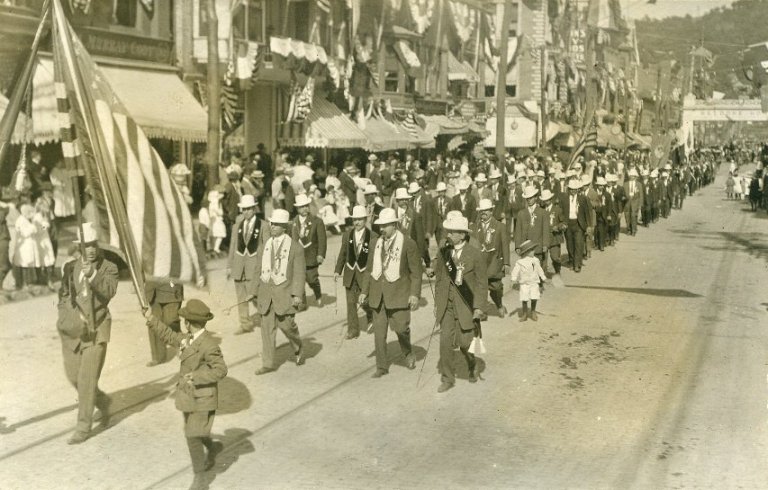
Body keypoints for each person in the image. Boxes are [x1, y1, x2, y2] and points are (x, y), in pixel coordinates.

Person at [144, 299, 227, 490]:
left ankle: (200, 480)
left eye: (184, 320)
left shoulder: (209, 344)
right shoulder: (187, 338)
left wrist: (196, 376)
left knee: (191, 435)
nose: (183, 323)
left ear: (188, 322)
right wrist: (150, 318)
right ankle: (213, 447)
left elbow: (221, 370)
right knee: (195, 431)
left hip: (203, 398)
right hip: (188, 396)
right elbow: (167, 335)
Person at [56, 222, 119, 444]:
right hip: (74, 331)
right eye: (86, 246)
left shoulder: (108, 268)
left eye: (93, 245)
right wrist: (68, 317)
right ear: (79, 247)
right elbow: (63, 296)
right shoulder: (69, 267)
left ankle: (83, 427)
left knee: (86, 379)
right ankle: (102, 402)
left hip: (97, 330)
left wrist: (92, 275)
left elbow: (109, 291)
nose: (90, 250)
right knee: (73, 376)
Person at [429, 213, 487, 393]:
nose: (448, 235)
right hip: (447, 305)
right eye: (448, 231)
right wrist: (437, 303)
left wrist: (479, 307)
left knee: (464, 342)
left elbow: (481, 283)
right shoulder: (444, 252)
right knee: (445, 342)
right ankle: (447, 378)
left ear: (462, 234)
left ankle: (471, 364)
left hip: (466, 306)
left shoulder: (475, 254)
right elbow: (439, 279)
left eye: (452, 232)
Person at [360, 208, 422, 378]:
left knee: (401, 328)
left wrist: (414, 294)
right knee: (379, 334)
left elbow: (416, 272)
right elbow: (368, 270)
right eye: (380, 226)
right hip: (377, 295)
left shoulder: (408, 243)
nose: (382, 229)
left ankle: (408, 352)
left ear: (394, 225)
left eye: (385, 226)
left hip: (399, 294)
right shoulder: (375, 243)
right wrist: (364, 291)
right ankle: (381, 366)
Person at [253, 209, 306, 375]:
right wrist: (252, 290)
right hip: (266, 295)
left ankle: (297, 345)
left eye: (277, 224)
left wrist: (297, 295)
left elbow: (299, 273)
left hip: (284, 294)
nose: (273, 226)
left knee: (287, 327)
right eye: (272, 223)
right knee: (267, 330)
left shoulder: (295, 248)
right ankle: (267, 363)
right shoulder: (265, 246)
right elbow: (257, 269)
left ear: (284, 227)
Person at [334, 205, 377, 339]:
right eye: (355, 220)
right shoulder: (347, 235)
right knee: (351, 302)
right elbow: (343, 253)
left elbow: (375, 259)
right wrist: (337, 270)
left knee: (365, 300)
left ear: (365, 220)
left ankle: (371, 315)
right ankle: (353, 330)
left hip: (365, 275)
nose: (357, 222)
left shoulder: (373, 236)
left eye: (360, 219)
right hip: (350, 273)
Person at [227, 195, 268, 335]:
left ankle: (266, 318)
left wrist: (264, 268)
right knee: (241, 298)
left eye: (249, 209)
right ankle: (245, 324)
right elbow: (232, 246)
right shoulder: (237, 226)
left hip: (254, 268)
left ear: (254, 209)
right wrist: (229, 265)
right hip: (239, 267)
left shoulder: (263, 225)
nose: (246, 212)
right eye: (243, 209)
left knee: (256, 296)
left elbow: (267, 248)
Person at [471, 198, 509, 317]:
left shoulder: (499, 226)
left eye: (486, 210)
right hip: (479, 264)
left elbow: (505, 245)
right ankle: (481, 311)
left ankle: (499, 304)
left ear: (491, 211)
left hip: (494, 262)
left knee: (496, 288)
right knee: (479, 288)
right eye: (482, 211)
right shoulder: (473, 227)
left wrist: (506, 263)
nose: (484, 213)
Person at [292, 193, 327, 307]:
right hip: (297, 257)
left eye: (306, 206)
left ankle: (318, 294)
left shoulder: (317, 221)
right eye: (302, 207)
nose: (305, 209)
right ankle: (302, 302)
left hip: (311, 255)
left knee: (311, 279)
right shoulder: (294, 222)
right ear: (297, 208)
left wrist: (320, 254)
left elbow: (322, 240)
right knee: (299, 280)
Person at [144, 279, 184, 366]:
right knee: (153, 321)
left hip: (171, 290)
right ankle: (158, 357)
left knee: (171, 321)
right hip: (152, 290)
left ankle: (182, 346)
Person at [510, 239, 547, 322]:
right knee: (524, 298)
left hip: (534, 282)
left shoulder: (535, 260)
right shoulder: (520, 262)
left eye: (533, 249)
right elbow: (515, 271)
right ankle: (525, 313)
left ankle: (533, 311)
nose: (533, 251)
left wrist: (544, 278)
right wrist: (513, 279)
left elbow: (539, 270)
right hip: (524, 283)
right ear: (526, 252)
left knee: (534, 297)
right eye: (531, 250)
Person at [514, 185, 550, 264]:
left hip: (538, 246)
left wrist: (545, 245)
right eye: (527, 198)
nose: (529, 200)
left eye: (531, 198)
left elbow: (546, 230)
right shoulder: (521, 213)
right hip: (525, 247)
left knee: (539, 269)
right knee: (527, 271)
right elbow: (518, 231)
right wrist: (517, 246)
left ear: (536, 197)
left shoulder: (542, 212)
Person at [562, 179, 589, 273]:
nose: (573, 191)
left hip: (578, 224)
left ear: (578, 189)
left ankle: (577, 265)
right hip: (568, 224)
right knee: (570, 245)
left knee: (578, 244)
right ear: (568, 189)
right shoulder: (564, 198)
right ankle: (572, 261)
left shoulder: (582, 198)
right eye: (571, 189)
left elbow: (587, 212)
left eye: (575, 189)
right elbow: (561, 212)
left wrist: (588, 225)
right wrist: (563, 223)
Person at [540, 189, 565, 277]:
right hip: (544, 238)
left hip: (554, 237)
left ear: (551, 199)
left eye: (547, 200)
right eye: (544, 200)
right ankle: (542, 276)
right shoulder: (541, 210)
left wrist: (558, 227)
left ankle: (557, 271)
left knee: (555, 257)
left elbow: (563, 222)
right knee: (543, 259)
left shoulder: (557, 209)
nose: (546, 202)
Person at [623, 168, 643, 236]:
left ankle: (634, 229)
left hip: (635, 202)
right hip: (627, 202)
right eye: (631, 175)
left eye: (633, 176)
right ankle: (628, 229)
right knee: (627, 216)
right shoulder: (625, 184)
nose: (632, 177)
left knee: (633, 216)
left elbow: (641, 195)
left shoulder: (639, 184)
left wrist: (640, 205)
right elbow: (623, 194)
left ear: (636, 177)